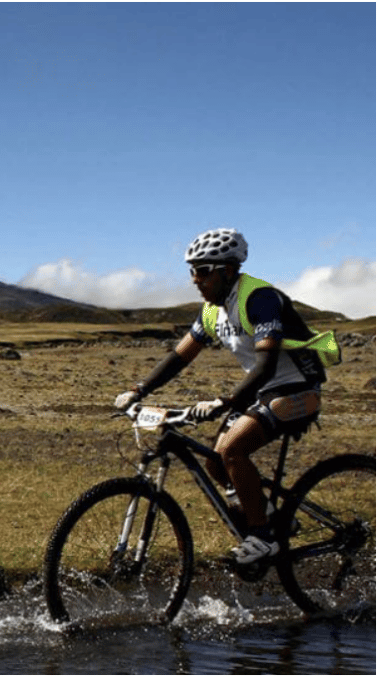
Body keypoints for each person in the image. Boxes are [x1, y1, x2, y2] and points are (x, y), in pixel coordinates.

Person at [115, 228, 339, 565]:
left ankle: (263, 538)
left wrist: (226, 401)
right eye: (192, 271)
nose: (195, 279)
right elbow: (180, 356)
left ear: (228, 271)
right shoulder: (211, 310)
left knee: (233, 449)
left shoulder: (259, 299)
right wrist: (138, 390)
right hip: (262, 391)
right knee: (216, 462)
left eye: (203, 271)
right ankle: (273, 519)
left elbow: (264, 366)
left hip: (297, 388)